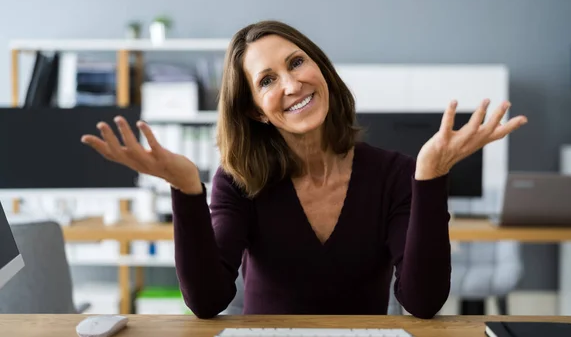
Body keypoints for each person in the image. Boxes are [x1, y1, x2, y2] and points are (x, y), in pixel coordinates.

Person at [81, 20, 527, 319]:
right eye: (267, 80)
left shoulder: (394, 173)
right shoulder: (237, 181)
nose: (292, 84)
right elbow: (208, 300)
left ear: (321, 70)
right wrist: (184, 187)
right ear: (256, 112)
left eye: (296, 62)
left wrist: (429, 176)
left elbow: (423, 303)